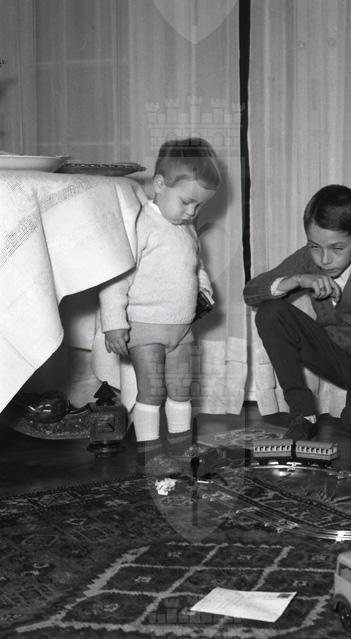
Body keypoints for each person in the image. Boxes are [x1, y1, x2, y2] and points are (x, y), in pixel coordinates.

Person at [243, 184, 351, 476]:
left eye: (337, 248)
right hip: (335, 356)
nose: (323, 259)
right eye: (314, 246)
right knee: (271, 312)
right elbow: (251, 292)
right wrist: (296, 280)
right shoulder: (308, 259)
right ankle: (303, 412)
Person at [98, 137, 220, 466]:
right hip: (145, 327)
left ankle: (181, 448)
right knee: (152, 391)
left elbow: (196, 265)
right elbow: (115, 277)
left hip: (182, 328)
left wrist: (204, 289)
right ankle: (150, 453)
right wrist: (114, 323)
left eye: (199, 206)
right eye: (186, 202)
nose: (192, 212)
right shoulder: (141, 224)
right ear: (160, 184)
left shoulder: (187, 228)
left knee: (181, 388)